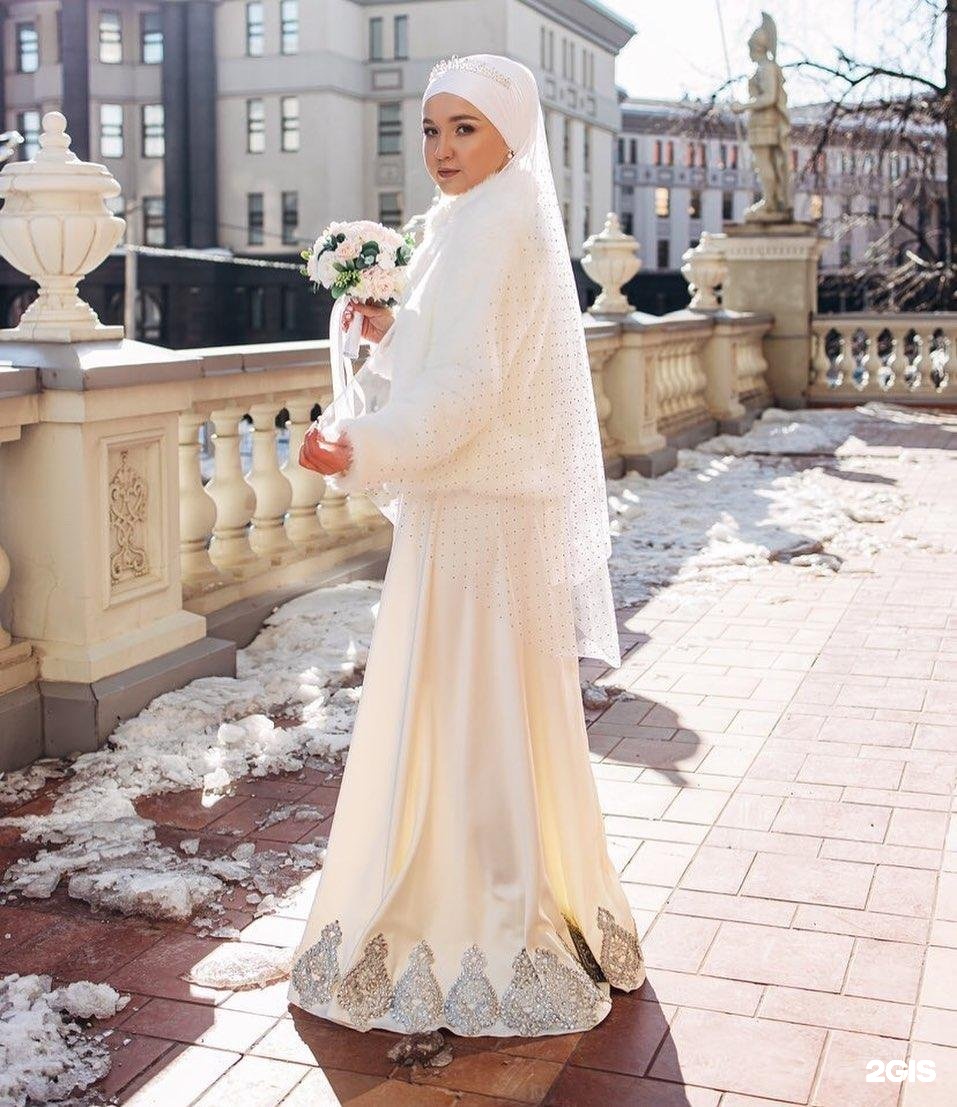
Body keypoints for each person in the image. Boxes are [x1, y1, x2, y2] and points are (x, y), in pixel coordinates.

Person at [288, 53, 645, 1038]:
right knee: (486, 707)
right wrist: (390, 332)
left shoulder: (494, 224)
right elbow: (454, 358)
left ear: (509, 134)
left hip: (481, 511)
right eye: (431, 128)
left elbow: (471, 391)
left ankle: (481, 921)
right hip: (481, 504)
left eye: (464, 128)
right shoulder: (474, 218)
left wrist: (361, 445)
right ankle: (507, 895)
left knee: (466, 708)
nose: (441, 148)